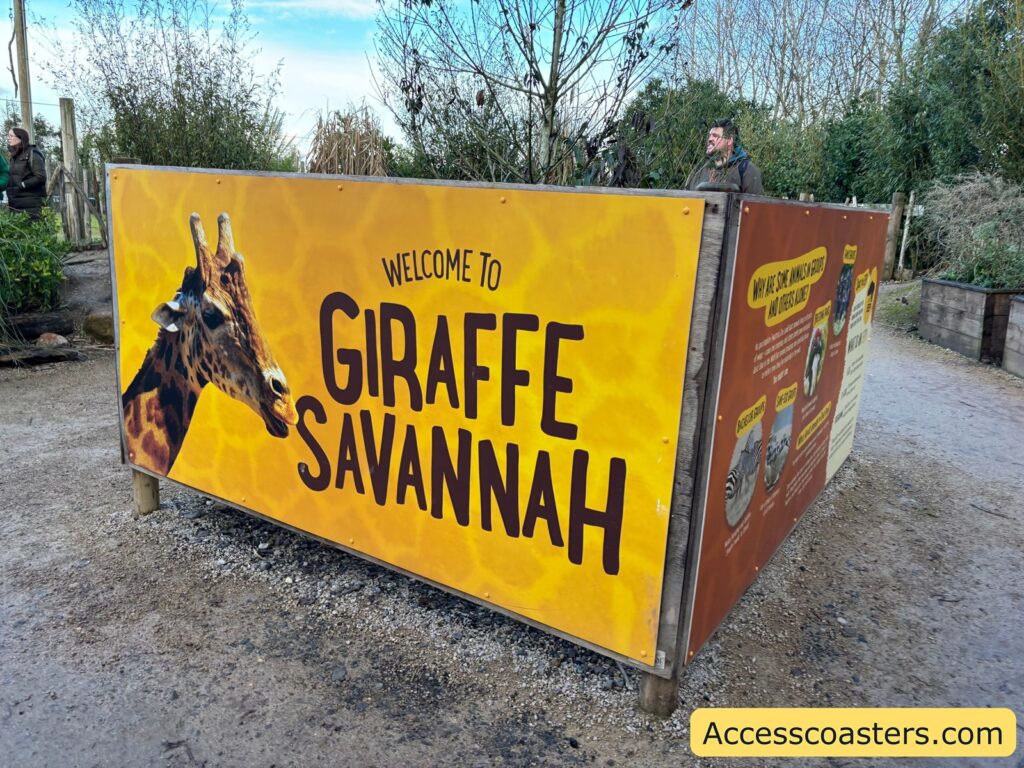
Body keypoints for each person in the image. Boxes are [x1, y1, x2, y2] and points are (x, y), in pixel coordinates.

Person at [686, 118, 764, 195]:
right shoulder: (699, 168)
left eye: (715, 136)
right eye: (709, 136)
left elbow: (755, 205)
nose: (709, 139)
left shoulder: (746, 170)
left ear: (729, 140)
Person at [6, 127, 47, 218]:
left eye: (11, 136)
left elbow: (41, 177)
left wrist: (23, 184)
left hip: (31, 204)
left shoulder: (33, 153)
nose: (8, 138)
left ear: (20, 137)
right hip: (15, 204)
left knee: (31, 230)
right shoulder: (14, 157)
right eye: (8, 136)